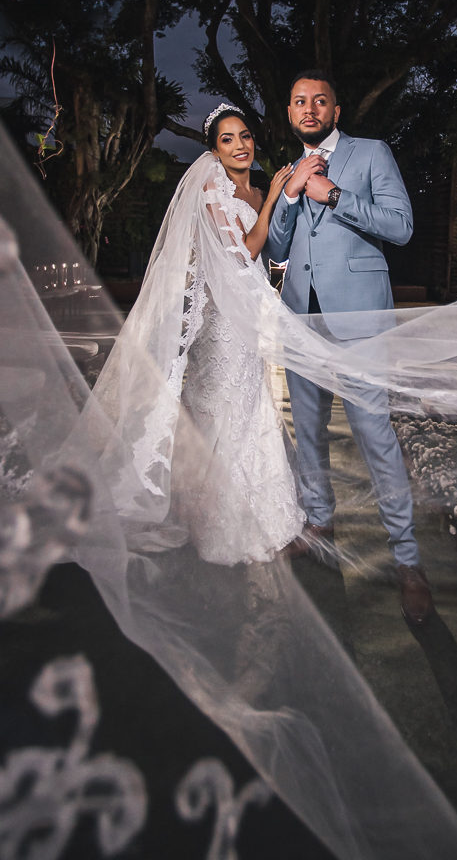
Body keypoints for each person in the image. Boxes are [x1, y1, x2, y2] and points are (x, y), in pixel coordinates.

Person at [266, 70, 435, 626]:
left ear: (336, 111)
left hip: (360, 319)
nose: (309, 109)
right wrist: (290, 196)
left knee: (374, 435)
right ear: (290, 113)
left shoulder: (370, 154)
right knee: (306, 430)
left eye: (319, 101)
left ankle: (408, 561)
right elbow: (277, 247)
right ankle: (317, 524)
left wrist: (332, 194)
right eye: (299, 102)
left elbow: (402, 227)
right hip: (301, 320)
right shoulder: (287, 171)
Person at [169, 103, 306, 564]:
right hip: (223, 320)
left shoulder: (258, 188)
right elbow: (244, 253)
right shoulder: (214, 191)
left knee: (251, 403)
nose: (240, 145)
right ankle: (215, 522)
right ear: (214, 150)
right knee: (223, 404)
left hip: (248, 316)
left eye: (244, 135)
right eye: (227, 139)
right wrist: (270, 202)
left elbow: (271, 255)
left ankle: (262, 511)